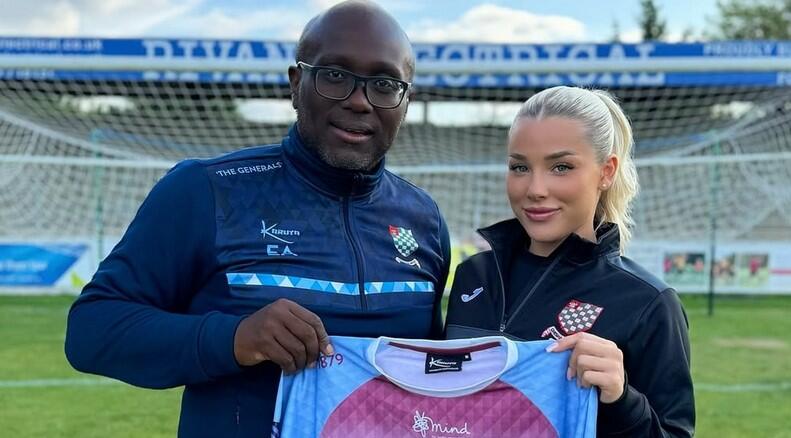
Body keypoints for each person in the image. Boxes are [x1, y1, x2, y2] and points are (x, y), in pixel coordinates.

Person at [65, 2, 451, 437]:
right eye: (335, 76)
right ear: (296, 84)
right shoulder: (206, 191)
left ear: (406, 100)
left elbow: (436, 376)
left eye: (384, 84)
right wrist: (235, 339)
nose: (360, 101)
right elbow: (91, 331)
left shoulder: (423, 218)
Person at [445, 86, 694, 437]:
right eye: (520, 167)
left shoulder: (648, 303)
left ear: (606, 172)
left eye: (561, 167)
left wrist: (621, 399)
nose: (535, 188)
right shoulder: (474, 276)